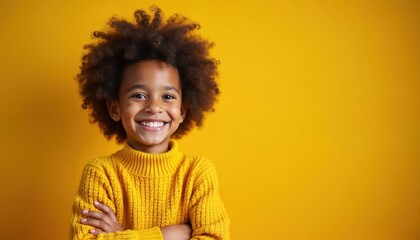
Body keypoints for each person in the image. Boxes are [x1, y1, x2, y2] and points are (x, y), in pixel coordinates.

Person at [70, 6, 230, 240]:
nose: (154, 107)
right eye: (139, 95)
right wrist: (170, 235)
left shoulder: (197, 174)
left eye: (168, 97)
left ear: (182, 111)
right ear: (115, 108)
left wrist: (121, 235)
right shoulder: (101, 174)